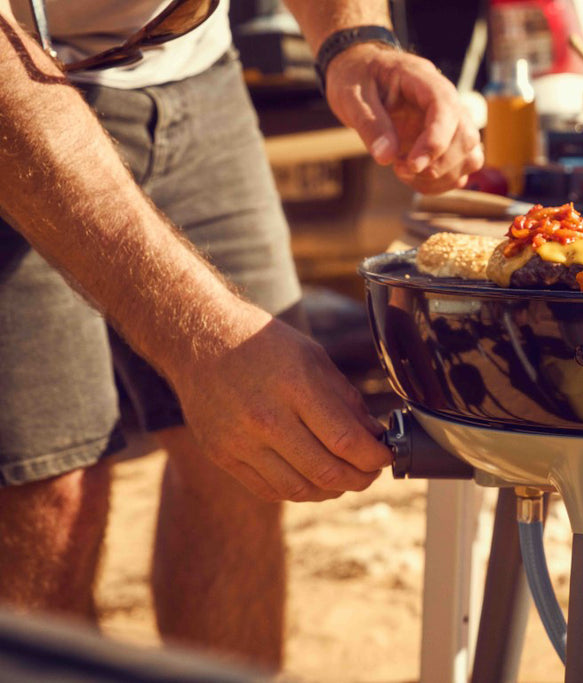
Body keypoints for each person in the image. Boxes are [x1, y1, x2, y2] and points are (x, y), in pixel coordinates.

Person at [0, 0, 483, 672]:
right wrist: (203, 344)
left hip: (195, 70)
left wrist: (357, 41)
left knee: (255, 464)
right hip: (13, 97)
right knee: (48, 498)